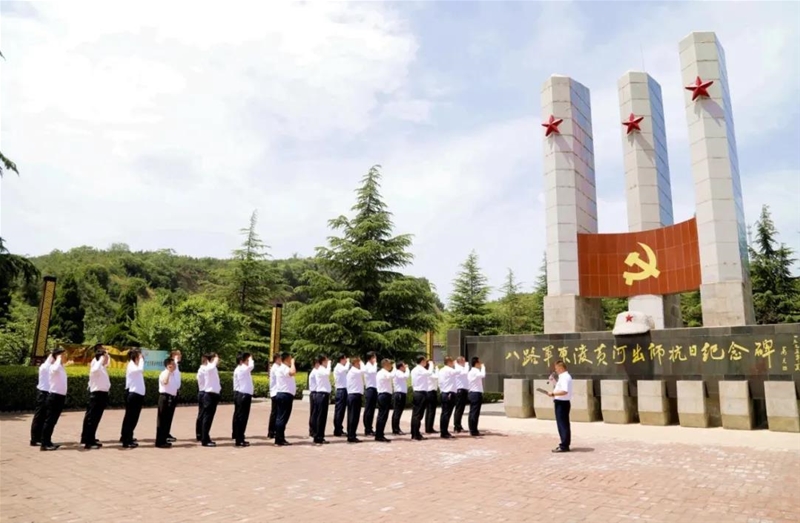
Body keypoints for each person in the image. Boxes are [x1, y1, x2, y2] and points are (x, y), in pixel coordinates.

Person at [80, 344, 110, 449]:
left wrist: (105, 357)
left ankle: (90, 437)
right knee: (92, 418)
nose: (107, 359)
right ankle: (88, 440)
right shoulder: (96, 364)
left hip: (101, 394)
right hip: (97, 394)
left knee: (95, 419)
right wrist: (102, 358)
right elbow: (94, 370)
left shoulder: (101, 367)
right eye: (105, 357)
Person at [40, 348, 68, 451]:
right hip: (54, 396)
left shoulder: (60, 367)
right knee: (50, 420)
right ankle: (44, 443)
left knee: (53, 421)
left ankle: (48, 441)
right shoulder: (53, 367)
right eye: (63, 355)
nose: (65, 357)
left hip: (60, 396)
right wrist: (58, 358)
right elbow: (55, 369)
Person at [120, 349, 145, 449]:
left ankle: (127, 436)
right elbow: (140, 370)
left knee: (132, 418)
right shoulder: (132, 366)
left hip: (137, 395)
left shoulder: (134, 365)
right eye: (140, 356)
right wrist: (141, 360)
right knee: (130, 418)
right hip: (133, 394)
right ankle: (127, 440)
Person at [272, 352, 297, 446]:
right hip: (284, 395)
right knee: (282, 417)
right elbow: (293, 372)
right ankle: (279, 439)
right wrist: (293, 363)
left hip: (283, 394)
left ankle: (280, 437)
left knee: (281, 417)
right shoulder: (284, 368)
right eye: (290, 358)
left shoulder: (281, 368)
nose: (291, 360)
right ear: (286, 359)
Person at [548, 360, 573, 453]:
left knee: (563, 424)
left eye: (557, 368)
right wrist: (554, 382)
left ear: (561, 368)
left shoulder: (565, 377)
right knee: (563, 424)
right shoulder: (563, 377)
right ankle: (564, 444)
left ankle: (564, 445)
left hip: (562, 403)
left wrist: (553, 394)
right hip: (561, 402)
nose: (556, 370)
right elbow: (560, 388)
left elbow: (564, 391)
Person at [156, 357, 179, 448]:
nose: (175, 366)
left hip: (171, 398)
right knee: (162, 420)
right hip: (165, 398)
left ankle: (164, 438)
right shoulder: (164, 373)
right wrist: (169, 372)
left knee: (168, 420)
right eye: (173, 364)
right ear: (168, 365)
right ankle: (160, 441)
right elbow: (165, 382)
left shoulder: (173, 374)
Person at [233, 352, 255, 447]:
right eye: (247, 360)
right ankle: (239, 439)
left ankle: (240, 437)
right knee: (242, 418)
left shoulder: (243, 369)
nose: (248, 362)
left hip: (243, 395)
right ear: (242, 361)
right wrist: (251, 359)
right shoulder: (242, 369)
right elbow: (251, 366)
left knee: (242, 418)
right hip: (243, 395)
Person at [30, 352, 52, 446]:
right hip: (43, 393)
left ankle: (39, 437)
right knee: (39, 416)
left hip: (47, 392)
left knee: (43, 416)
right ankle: (35, 438)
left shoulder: (49, 366)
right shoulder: (45, 366)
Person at [201, 352, 221, 447]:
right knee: (207, 418)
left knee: (209, 418)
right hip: (209, 395)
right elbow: (211, 367)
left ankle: (206, 437)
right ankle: (204, 439)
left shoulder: (213, 368)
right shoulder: (209, 367)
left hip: (214, 395)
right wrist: (215, 359)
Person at [409, 355, 431, 441]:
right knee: (418, 415)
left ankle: (415, 433)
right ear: (422, 361)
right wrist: (431, 365)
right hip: (420, 393)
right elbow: (429, 373)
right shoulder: (420, 369)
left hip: (417, 392)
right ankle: (415, 434)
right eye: (425, 361)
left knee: (416, 414)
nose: (426, 363)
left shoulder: (415, 369)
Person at [312, 355, 332, 445]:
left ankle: (320, 435)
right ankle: (318, 437)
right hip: (321, 394)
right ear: (323, 361)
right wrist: (330, 364)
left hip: (323, 394)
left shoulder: (321, 369)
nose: (327, 362)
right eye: (326, 361)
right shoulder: (321, 369)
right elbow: (328, 373)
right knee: (320, 416)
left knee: (322, 416)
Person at [345, 357, 364, 443]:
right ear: (355, 363)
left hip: (352, 395)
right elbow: (364, 370)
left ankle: (351, 434)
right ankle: (351, 436)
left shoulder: (352, 371)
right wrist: (362, 362)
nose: (360, 365)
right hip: (354, 395)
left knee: (352, 416)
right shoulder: (355, 371)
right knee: (353, 416)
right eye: (359, 363)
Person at [437, 357, 457, 439]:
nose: (453, 363)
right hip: (449, 393)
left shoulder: (441, 370)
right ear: (449, 362)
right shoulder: (449, 370)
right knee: (447, 413)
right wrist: (457, 364)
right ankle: (444, 432)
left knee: (444, 413)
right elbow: (459, 372)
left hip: (444, 392)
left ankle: (444, 431)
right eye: (452, 362)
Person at [374, 358, 393, 443]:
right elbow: (391, 376)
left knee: (382, 416)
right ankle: (379, 435)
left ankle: (379, 434)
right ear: (385, 365)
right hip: (384, 395)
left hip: (384, 395)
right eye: (390, 364)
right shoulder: (383, 373)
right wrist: (395, 369)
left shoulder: (382, 372)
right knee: (382, 416)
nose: (391, 366)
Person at [467, 357, 486, 437]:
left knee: (472, 412)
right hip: (475, 393)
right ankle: (473, 430)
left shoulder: (471, 371)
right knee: (475, 412)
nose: (480, 364)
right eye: (479, 362)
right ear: (476, 363)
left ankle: (472, 429)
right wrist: (483, 367)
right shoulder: (475, 371)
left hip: (472, 393)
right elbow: (483, 375)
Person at [332, 354, 350, 437]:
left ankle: (339, 428)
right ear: (341, 359)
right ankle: (337, 429)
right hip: (341, 390)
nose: (346, 360)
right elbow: (346, 369)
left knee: (341, 411)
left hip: (343, 390)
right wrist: (348, 362)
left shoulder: (341, 367)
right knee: (339, 411)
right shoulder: (339, 367)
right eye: (345, 359)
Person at [362, 351, 378, 437]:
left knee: (372, 410)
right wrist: (375, 363)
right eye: (374, 357)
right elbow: (373, 371)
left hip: (374, 389)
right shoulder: (368, 366)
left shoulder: (371, 366)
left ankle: (370, 428)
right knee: (368, 410)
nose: (375, 359)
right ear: (370, 358)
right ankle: (367, 429)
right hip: (370, 389)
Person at [453, 356, 470, 434]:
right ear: (460, 362)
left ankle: (459, 425)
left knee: (461, 409)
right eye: (464, 361)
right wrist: (467, 365)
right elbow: (465, 372)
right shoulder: (458, 369)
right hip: (460, 390)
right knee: (459, 409)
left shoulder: (461, 368)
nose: (465, 363)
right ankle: (456, 426)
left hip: (464, 390)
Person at [391, 361, 409, 436]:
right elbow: (406, 376)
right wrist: (407, 369)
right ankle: (396, 429)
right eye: (404, 366)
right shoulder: (398, 372)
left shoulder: (398, 372)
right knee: (397, 412)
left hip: (400, 394)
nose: (405, 367)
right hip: (399, 394)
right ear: (401, 367)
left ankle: (396, 428)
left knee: (398, 412)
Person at [268, 354, 282, 439]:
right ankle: (271, 431)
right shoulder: (275, 368)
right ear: (276, 359)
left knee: (276, 413)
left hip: (276, 392)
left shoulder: (277, 367)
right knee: (275, 413)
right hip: (275, 392)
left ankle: (273, 431)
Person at [168, 349, 181, 442]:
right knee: (167, 415)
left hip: (175, 391)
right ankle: (165, 433)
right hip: (170, 393)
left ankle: (167, 432)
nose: (180, 356)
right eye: (178, 355)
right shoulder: (172, 366)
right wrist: (175, 361)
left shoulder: (177, 366)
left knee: (170, 415)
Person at [195, 354, 208, 442]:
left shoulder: (202, 369)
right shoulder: (204, 370)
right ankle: (200, 433)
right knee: (203, 414)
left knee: (202, 414)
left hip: (202, 392)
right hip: (204, 392)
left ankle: (200, 433)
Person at [424, 359, 439, 434]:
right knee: (431, 411)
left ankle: (428, 427)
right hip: (431, 392)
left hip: (429, 392)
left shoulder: (426, 372)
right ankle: (429, 428)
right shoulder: (429, 373)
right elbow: (437, 376)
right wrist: (437, 369)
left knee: (429, 411)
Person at [308, 358, 320, 439]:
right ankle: (313, 430)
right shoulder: (315, 372)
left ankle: (313, 429)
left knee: (314, 412)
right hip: (315, 393)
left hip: (314, 393)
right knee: (314, 413)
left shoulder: (315, 371)